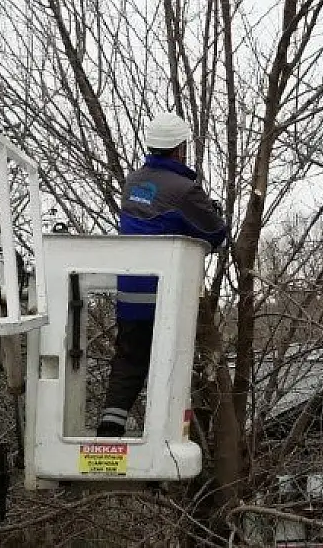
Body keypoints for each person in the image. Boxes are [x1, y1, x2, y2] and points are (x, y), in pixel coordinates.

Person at [96, 112, 227, 437]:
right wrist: (212, 211)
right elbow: (214, 233)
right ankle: (163, 435)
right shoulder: (185, 189)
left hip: (130, 291)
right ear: (180, 147)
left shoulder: (132, 183)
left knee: (130, 359)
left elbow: (151, 221)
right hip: (166, 295)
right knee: (170, 361)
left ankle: (110, 426)